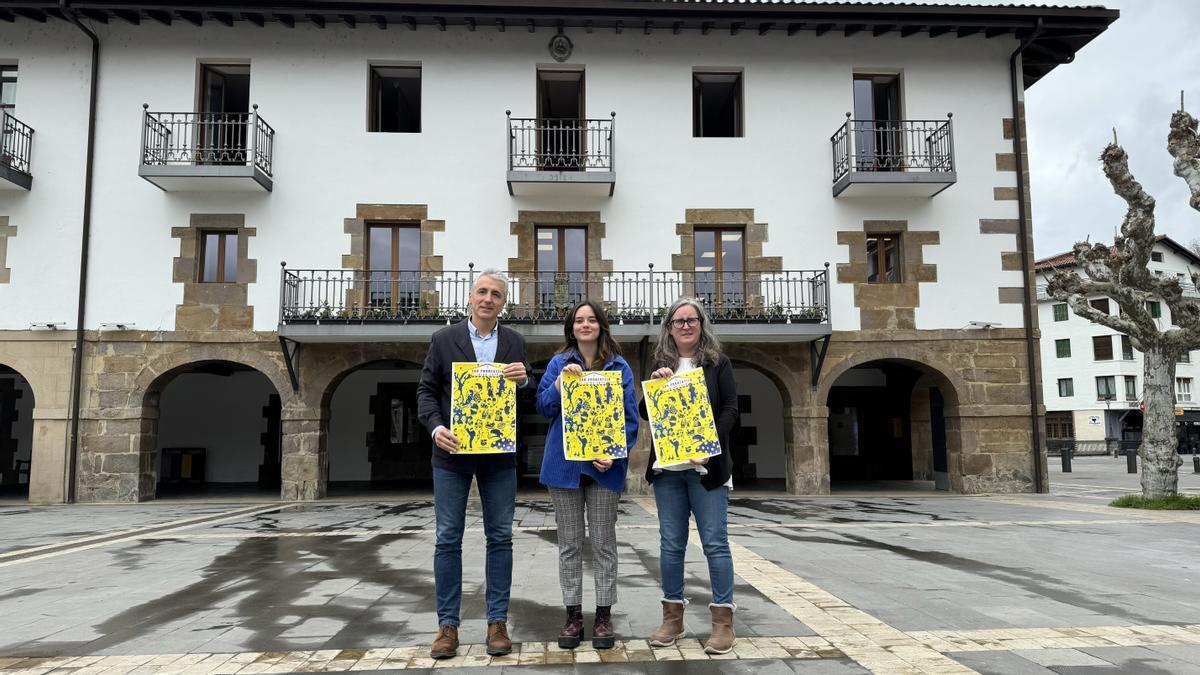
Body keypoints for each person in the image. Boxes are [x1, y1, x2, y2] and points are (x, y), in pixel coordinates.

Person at [417, 269, 531, 659]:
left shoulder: (515, 341)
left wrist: (524, 382)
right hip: (450, 454)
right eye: (482, 291)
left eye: (496, 294)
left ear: (503, 302)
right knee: (448, 537)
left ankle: (496, 622)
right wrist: (436, 429)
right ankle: (447, 626)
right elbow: (426, 393)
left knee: (500, 537)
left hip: (498, 456)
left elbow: (524, 404)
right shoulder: (443, 339)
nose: (488, 299)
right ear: (470, 297)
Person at [536, 300, 639, 650]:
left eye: (591, 319)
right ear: (571, 327)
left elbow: (629, 419)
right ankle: (573, 616)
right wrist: (562, 386)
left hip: (603, 469)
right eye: (578, 320)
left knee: (604, 544)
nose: (585, 325)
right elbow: (543, 407)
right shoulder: (558, 363)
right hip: (564, 468)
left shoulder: (619, 366)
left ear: (601, 325)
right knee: (569, 544)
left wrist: (613, 451)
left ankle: (604, 615)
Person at [641, 297, 739, 655]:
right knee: (671, 545)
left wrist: (709, 446)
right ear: (669, 328)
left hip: (706, 469)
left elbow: (731, 409)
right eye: (678, 320)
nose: (685, 325)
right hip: (669, 471)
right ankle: (672, 618)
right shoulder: (660, 363)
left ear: (701, 325)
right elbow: (645, 412)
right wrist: (654, 384)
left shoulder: (718, 363)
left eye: (691, 320)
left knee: (715, 543)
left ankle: (723, 622)